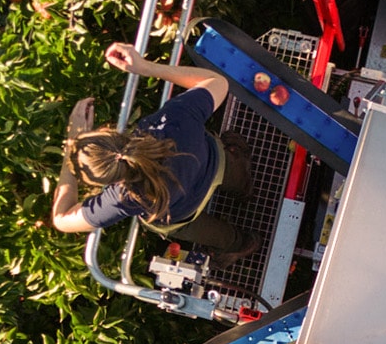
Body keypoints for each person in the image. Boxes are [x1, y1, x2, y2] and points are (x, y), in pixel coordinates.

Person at [48, 42, 257, 262]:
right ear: (110, 132)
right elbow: (217, 82)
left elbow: (62, 219)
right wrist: (145, 67)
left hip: (185, 211)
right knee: (231, 169)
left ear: (103, 179)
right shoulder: (169, 123)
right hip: (213, 165)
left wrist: (70, 152)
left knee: (205, 231)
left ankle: (240, 244)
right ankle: (245, 186)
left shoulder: (123, 198)